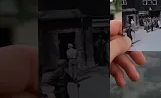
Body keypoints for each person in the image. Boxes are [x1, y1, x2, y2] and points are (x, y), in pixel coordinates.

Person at [0, 20, 145, 97]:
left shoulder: (63, 67)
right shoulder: (71, 56)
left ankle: (75, 74)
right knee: (73, 71)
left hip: (70, 66)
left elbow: (62, 77)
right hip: (67, 77)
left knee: (72, 71)